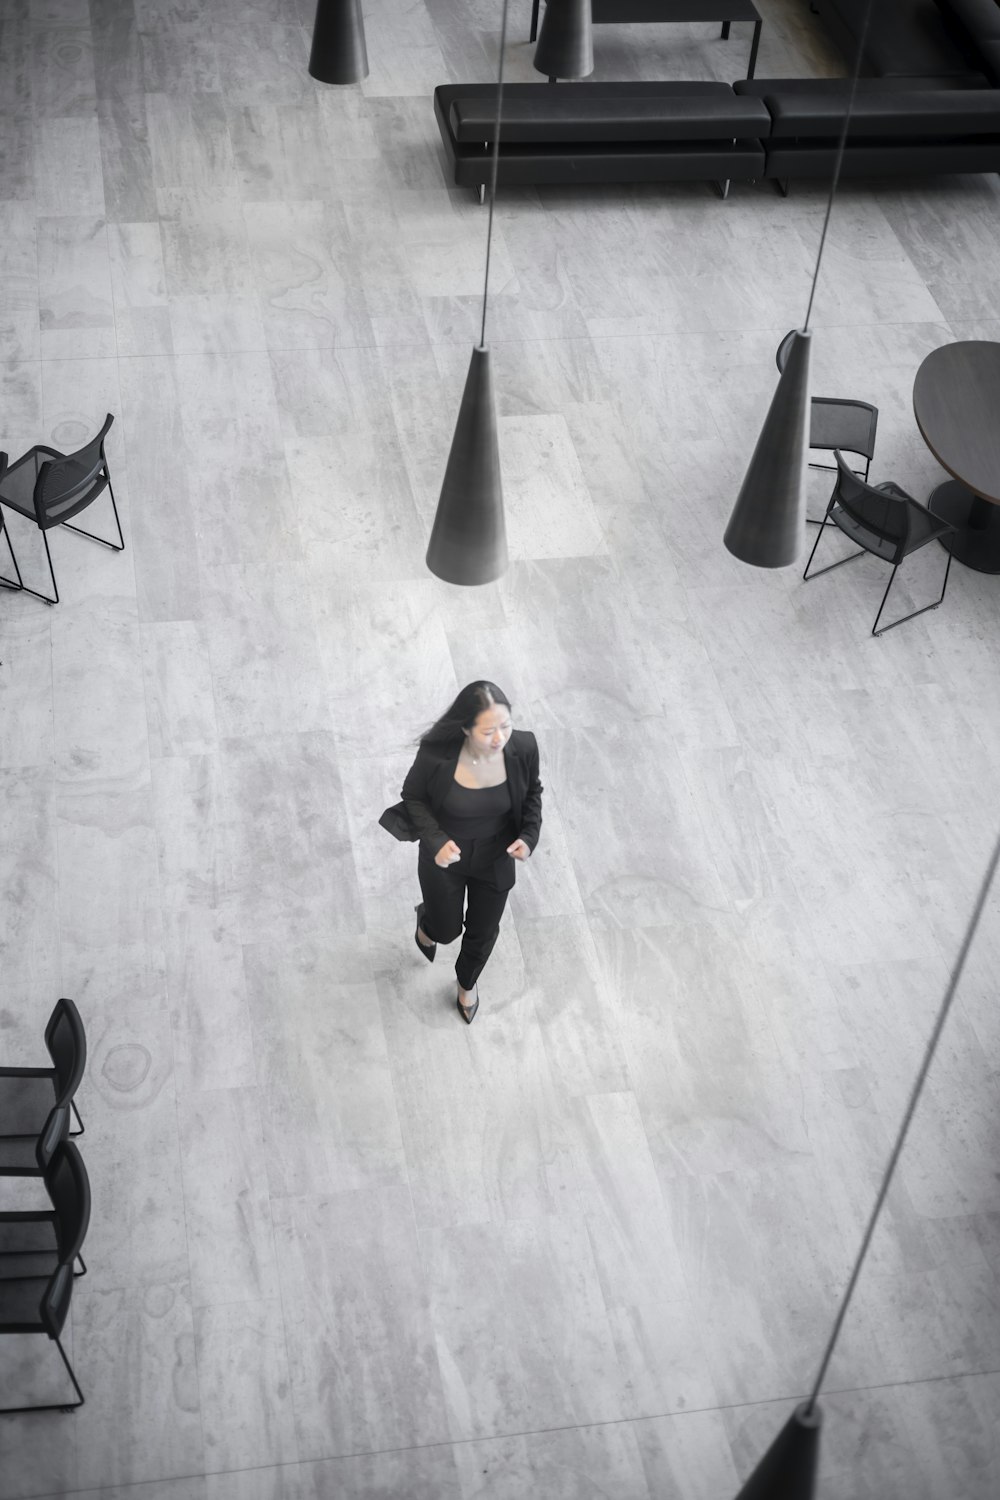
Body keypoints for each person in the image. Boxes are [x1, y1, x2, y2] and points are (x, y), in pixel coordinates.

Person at [401, 681, 543, 1024]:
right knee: (447, 929)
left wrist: (529, 834)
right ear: (465, 728)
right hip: (445, 860)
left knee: (483, 930)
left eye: (506, 726)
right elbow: (413, 796)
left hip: (494, 859)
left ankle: (467, 981)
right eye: (488, 730)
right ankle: (430, 922)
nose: (500, 738)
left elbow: (532, 794)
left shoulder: (523, 747)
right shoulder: (437, 754)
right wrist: (435, 842)